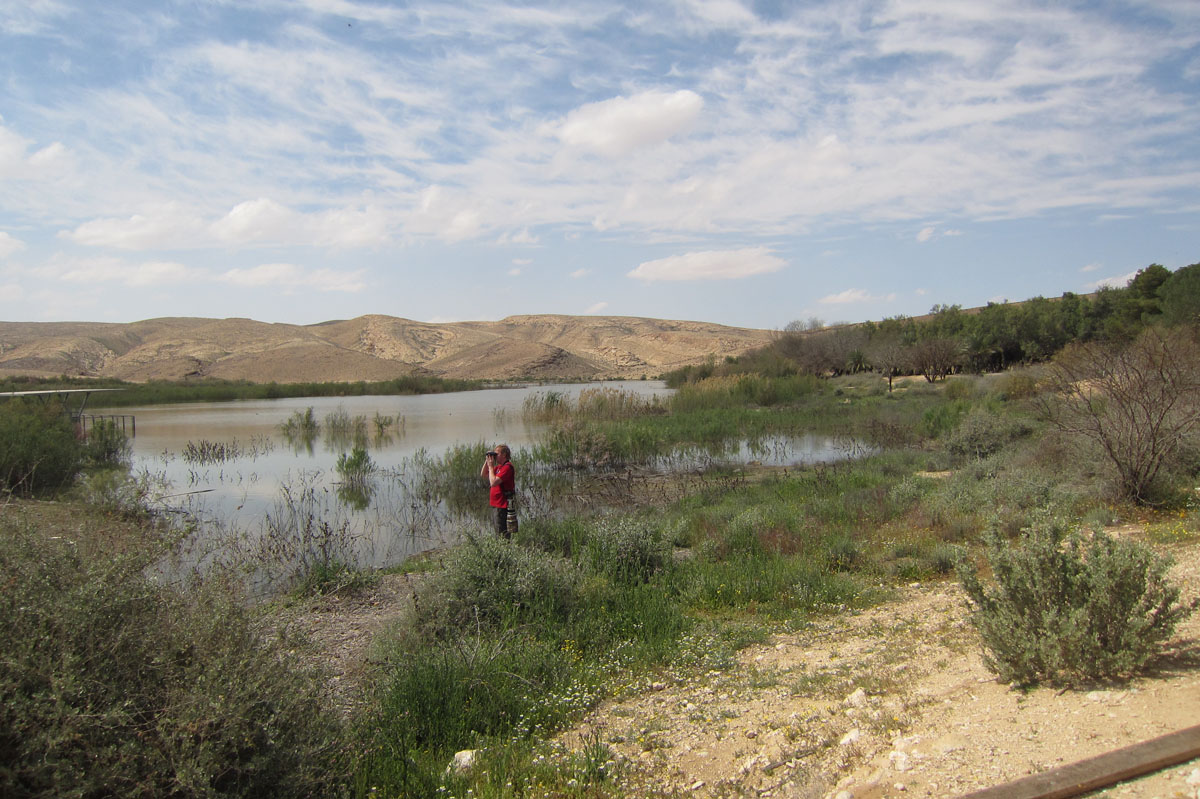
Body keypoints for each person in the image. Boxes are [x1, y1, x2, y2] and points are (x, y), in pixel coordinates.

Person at [480, 444, 515, 538]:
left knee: (502, 532)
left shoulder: (507, 467)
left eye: (496, 454)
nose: (495, 456)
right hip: (496, 504)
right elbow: (483, 474)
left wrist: (491, 467)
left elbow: (494, 482)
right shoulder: (499, 467)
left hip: (502, 504)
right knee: (498, 531)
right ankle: (502, 550)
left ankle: (504, 551)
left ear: (504, 454)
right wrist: (487, 461)